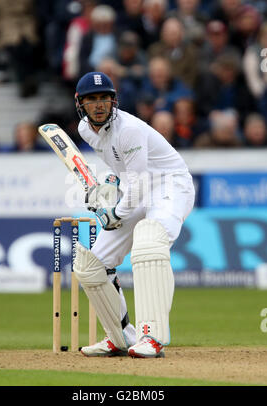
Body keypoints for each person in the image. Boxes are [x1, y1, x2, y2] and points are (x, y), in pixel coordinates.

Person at [72, 71, 195, 358]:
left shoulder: (129, 129)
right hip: (138, 189)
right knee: (92, 265)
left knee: (149, 241)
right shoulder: (85, 130)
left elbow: (139, 183)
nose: (99, 105)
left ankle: (151, 337)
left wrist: (115, 212)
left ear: (114, 101)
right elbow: (125, 170)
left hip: (169, 184)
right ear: (80, 103)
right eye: (92, 99)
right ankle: (120, 337)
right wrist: (110, 186)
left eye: (105, 98)